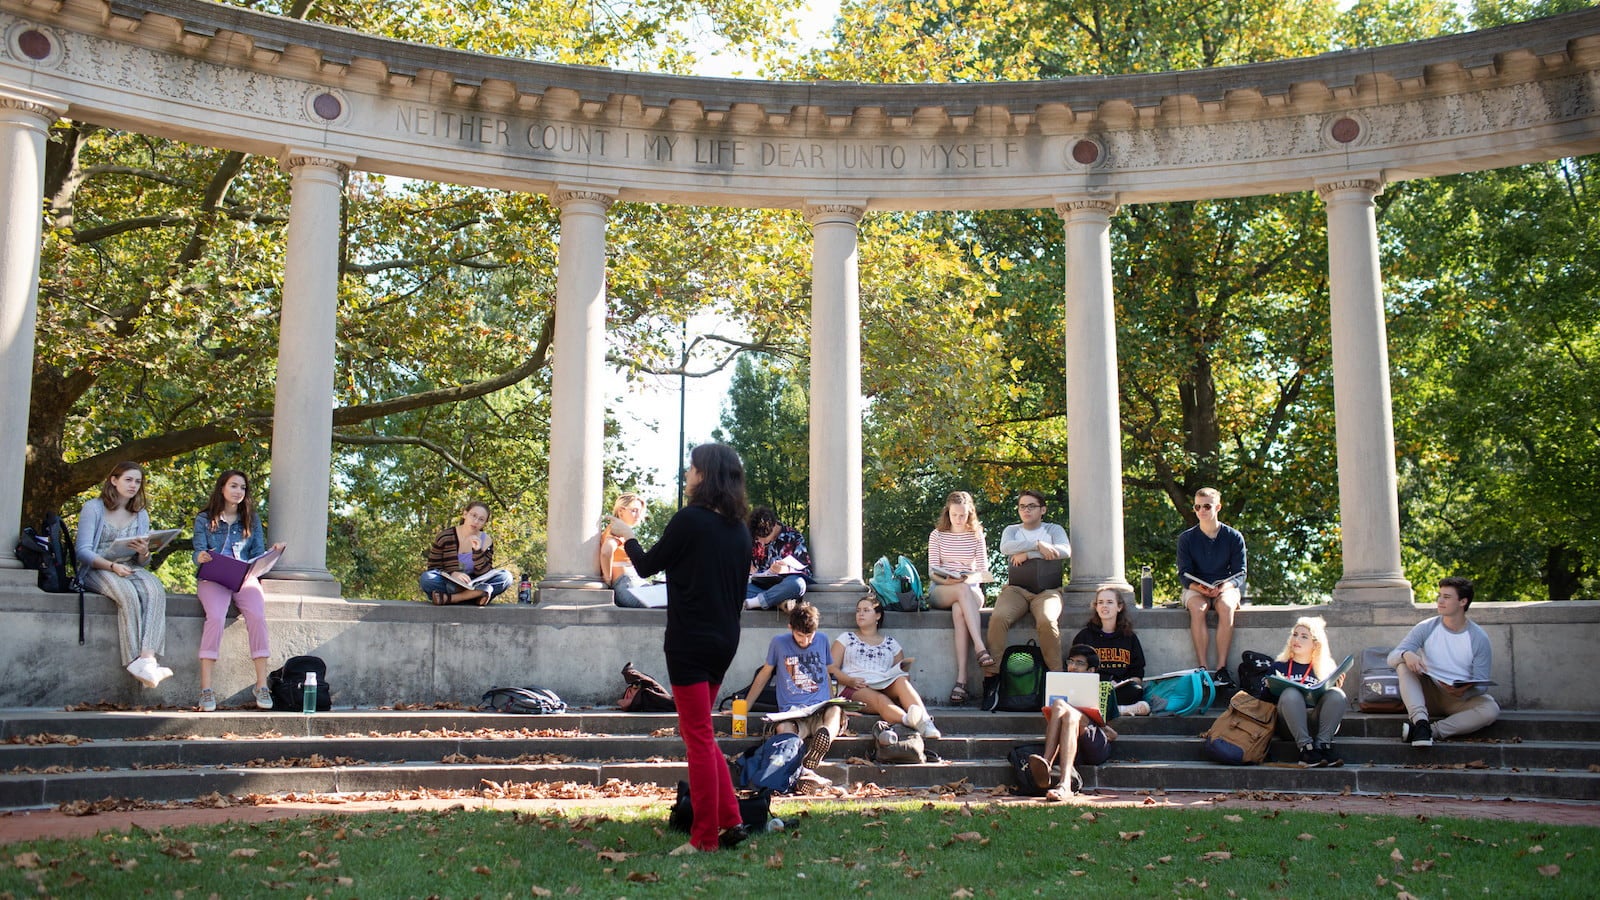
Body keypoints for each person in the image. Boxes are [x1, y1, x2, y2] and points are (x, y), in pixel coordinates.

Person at [609, 443, 752, 854]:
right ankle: (731, 820)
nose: (687, 475)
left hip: (690, 641)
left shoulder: (690, 520)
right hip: (724, 640)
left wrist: (627, 536)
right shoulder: (739, 530)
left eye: (691, 469)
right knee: (703, 734)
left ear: (704, 475)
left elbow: (648, 565)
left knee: (697, 737)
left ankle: (704, 838)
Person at [192, 470, 285, 712]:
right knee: (215, 617)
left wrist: (272, 553)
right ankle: (206, 689)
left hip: (243, 577)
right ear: (222, 488)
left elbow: (256, 554)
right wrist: (200, 556)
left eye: (242, 488)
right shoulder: (204, 518)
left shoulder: (250, 519)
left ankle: (261, 685)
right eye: (233, 486)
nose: (238, 492)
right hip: (214, 576)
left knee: (257, 615)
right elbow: (198, 551)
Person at [75, 461, 172, 689]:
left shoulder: (140, 514)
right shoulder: (93, 508)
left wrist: (144, 552)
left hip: (129, 566)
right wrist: (111, 566)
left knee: (155, 589)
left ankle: (148, 659)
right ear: (114, 480)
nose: (133, 485)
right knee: (127, 594)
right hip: (98, 568)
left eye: (138, 481)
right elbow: (82, 551)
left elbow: (143, 562)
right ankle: (133, 660)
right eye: (128, 479)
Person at [1386, 576, 1500, 747]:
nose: (1440, 601)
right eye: (1439, 595)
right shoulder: (1426, 627)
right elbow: (1391, 658)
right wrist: (1406, 654)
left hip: (1459, 699)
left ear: (1463, 601)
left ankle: (1431, 731)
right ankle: (1420, 722)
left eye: (1446, 597)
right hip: (1427, 695)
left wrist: (1463, 691)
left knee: (1491, 709)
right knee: (1403, 664)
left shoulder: (1478, 638)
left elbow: (1482, 683)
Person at [744, 602, 840, 785]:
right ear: (790, 628)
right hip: (793, 711)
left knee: (835, 711)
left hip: (820, 708)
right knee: (783, 729)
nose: (806, 641)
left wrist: (834, 701)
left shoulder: (822, 640)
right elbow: (764, 674)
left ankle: (822, 739)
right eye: (800, 636)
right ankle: (805, 770)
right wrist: (744, 707)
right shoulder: (779, 643)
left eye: (810, 635)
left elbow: (825, 673)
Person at [828, 594, 941, 740]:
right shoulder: (846, 638)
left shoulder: (891, 643)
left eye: (866, 610)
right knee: (880, 699)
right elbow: (831, 668)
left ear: (878, 616)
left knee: (901, 681)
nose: (860, 614)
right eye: (858, 610)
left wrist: (896, 676)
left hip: (883, 683)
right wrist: (849, 680)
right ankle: (909, 720)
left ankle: (927, 722)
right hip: (855, 686)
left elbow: (903, 673)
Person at [987, 490, 1070, 672]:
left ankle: (1057, 675)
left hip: (1048, 592)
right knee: (998, 618)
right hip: (1016, 591)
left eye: (1031, 506)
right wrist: (1038, 545)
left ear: (1043, 510)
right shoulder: (1012, 530)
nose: (1026, 510)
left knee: (1047, 621)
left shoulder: (1053, 529)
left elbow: (1064, 551)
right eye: (1022, 506)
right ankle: (991, 676)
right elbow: (1006, 547)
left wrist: (1027, 554)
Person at [1024, 644, 1118, 802]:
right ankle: (1061, 781)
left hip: (1095, 744)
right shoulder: (1058, 684)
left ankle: (1048, 763)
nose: (1073, 666)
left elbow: (1112, 733)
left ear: (1091, 670)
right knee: (1065, 710)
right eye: (1070, 662)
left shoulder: (1105, 689)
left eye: (1080, 663)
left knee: (1065, 708)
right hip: (1069, 741)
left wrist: (1090, 718)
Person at [927, 490, 994, 705]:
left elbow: (984, 573)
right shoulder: (937, 535)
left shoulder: (976, 535)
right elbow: (932, 572)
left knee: (960, 608)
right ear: (948, 512)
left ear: (970, 513)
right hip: (943, 588)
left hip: (970, 589)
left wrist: (968, 577)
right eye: (955, 514)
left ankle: (961, 680)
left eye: (963, 515)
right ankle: (980, 647)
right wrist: (949, 581)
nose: (958, 519)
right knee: (960, 593)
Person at [1177, 487, 1247, 685]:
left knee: (1225, 606)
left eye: (1207, 506)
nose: (1202, 511)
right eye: (1197, 507)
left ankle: (1222, 669)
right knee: (1198, 608)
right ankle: (1203, 669)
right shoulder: (1186, 538)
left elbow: (1240, 572)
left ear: (1218, 507)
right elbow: (1183, 573)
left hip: (1225, 586)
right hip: (1196, 587)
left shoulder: (1234, 537)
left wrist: (1223, 587)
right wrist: (1199, 588)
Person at [1272, 616, 1347, 767]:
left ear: (1315, 644)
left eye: (1304, 636)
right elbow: (1265, 701)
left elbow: (1331, 702)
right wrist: (1270, 687)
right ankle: (1306, 750)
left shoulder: (1326, 669)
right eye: (1295, 634)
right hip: (1288, 725)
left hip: (1317, 722)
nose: (1297, 639)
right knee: (1291, 693)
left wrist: (1337, 687)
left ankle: (1323, 746)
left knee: (1337, 695)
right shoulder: (1279, 666)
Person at [1071, 586, 1152, 716]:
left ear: (1119, 607)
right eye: (1100, 602)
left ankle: (1104, 709)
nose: (1104, 606)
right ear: (1096, 607)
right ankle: (1121, 710)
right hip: (1093, 687)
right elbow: (1074, 667)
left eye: (1109, 602)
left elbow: (1137, 671)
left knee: (1135, 691)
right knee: (1084, 693)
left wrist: (1130, 682)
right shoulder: (1084, 636)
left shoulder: (1129, 637)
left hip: (1119, 689)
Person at [418, 501, 515, 606]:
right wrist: (453, 573)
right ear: (465, 514)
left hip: (474, 583)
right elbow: (433, 567)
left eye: (481, 519)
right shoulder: (445, 537)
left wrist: (477, 551)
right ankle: (476, 595)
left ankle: (452, 598)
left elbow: (485, 572)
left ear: (485, 523)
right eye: (473, 515)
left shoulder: (486, 540)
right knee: (427, 578)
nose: (476, 521)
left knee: (506, 577)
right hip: (451, 583)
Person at [599, 492, 666, 608]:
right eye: (634, 510)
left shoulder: (620, 530)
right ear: (621, 511)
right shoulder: (617, 529)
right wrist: (607, 579)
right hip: (627, 584)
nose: (638, 515)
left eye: (640, 512)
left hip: (632, 584)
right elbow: (606, 551)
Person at [743, 507, 814, 612]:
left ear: (774, 526)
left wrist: (786, 569)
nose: (761, 543)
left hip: (785, 587)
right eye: (758, 539)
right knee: (734, 585)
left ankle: (754, 602)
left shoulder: (794, 537)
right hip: (760, 587)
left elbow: (808, 572)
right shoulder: (753, 537)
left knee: (798, 584)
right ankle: (779, 603)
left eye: (764, 539)